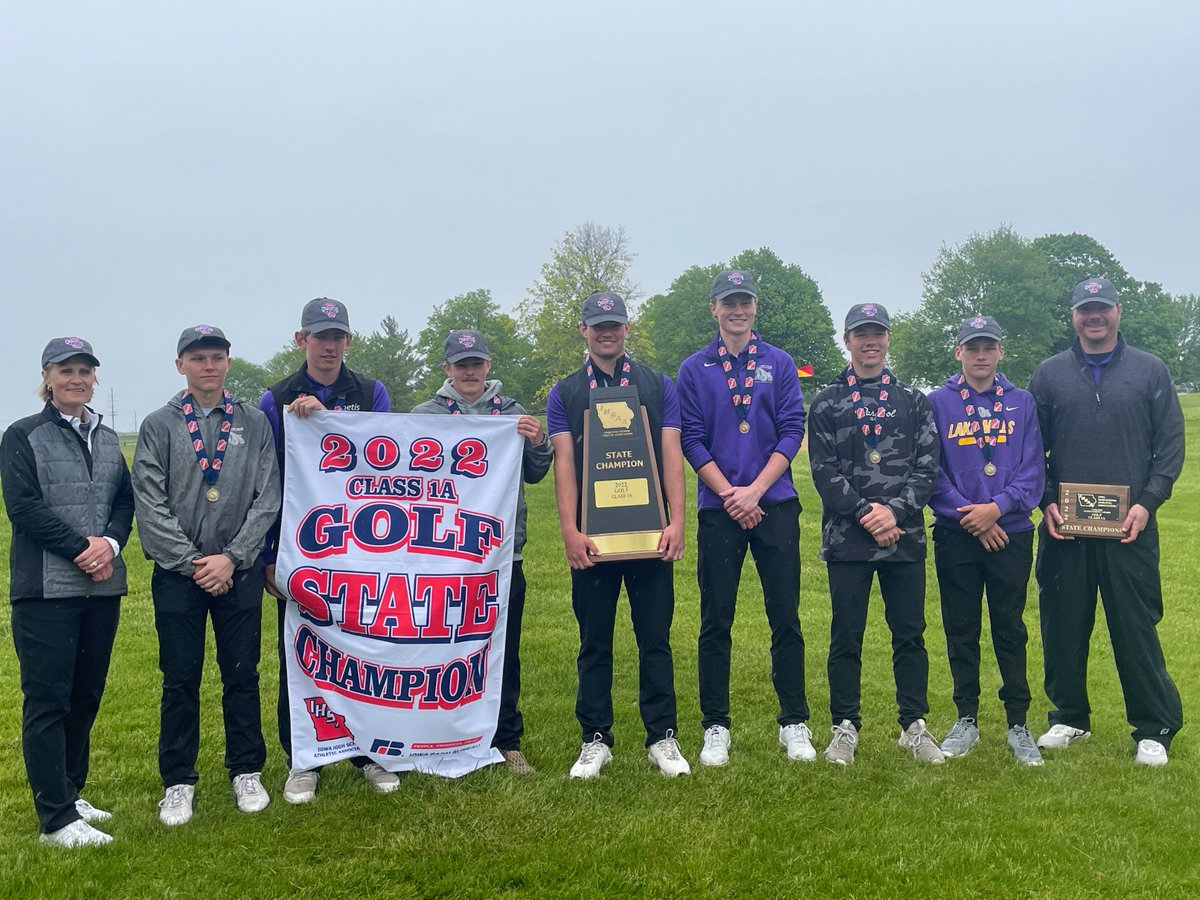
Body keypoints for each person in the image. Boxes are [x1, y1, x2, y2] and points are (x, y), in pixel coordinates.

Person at [1028, 277, 1185, 766]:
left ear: (1118, 311)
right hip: (1064, 528)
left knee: (1135, 625)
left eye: (1102, 309)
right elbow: (1033, 451)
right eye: (1084, 310)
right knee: (1063, 624)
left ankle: (1153, 727)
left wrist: (1148, 502)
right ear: (1072, 316)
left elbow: (1170, 448)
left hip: (1130, 529)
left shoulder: (1150, 371)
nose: (1094, 317)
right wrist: (1048, 500)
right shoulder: (1049, 374)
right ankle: (1068, 717)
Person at [132, 324, 281, 825]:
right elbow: (149, 502)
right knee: (180, 679)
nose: (208, 366)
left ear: (228, 362)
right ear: (181, 365)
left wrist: (234, 557)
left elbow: (268, 497)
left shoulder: (254, 422)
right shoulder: (159, 424)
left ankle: (246, 770)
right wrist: (195, 563)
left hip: (236, 572)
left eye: (216, 356)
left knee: (242, 676)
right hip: (180, 574)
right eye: (197, 358)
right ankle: (178, 781)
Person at [257, 297, 396, 803]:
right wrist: (270, 554)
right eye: (320, 336)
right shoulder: (274, 399)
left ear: (348, 342)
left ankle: (370, 751)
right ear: (302, 340)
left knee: (369, 648)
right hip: (301, 548)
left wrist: (329, 418)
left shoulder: (371, 391)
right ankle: (303, 759)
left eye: (338, 336)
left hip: (363, 545)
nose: (330, 344)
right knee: (300, 651)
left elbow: (385, 459)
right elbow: (265, 481)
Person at [546, 291, 690, 779]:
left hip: (649, 538)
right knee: (594, 642)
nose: (606, 332)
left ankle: (662, 738)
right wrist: (569, 529)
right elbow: (564, 464)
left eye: (614, 324)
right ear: (583, 330)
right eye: (597, 325)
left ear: (627, 328)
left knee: (655, 638)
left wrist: (677, 522)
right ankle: (595, 739)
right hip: (593, 541)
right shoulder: (564, 391)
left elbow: (671, 454)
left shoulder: (657, 385)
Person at [676, 270, 813, 767]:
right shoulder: (694, 368)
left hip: (773, 503)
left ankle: (794, 722)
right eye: (729, 302)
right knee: (716, 620)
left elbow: (793, 430)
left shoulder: (778, 362)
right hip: (719, 507)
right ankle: (716, 726)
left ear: (755, 307)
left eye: (746, 302)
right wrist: (730, 493)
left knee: (786, 617)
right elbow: (691, 436)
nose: (738, 310)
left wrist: (754, 490)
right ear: (713, 308)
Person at [1, 337, 134, 848]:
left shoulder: (105, 437)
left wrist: (112, 544)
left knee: (85, 695)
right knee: (48, 699)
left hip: (101, 591)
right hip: (45, 591)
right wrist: (84, 549)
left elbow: (123, 498)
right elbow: (25, 508)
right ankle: (54, 820)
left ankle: (70, 791)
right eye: (66, 370)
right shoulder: (22, 435)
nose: (76, 378)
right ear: (47, 377)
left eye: (84, 370)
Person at [412, 328, 553, 774]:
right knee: (435, 650)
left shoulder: (511, 414)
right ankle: (434, 736)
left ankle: (506, 741)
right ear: (446, 369)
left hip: (499, 557)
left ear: (488, 366)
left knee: (501, 651)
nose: (469, 371)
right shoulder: (424, 414)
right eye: (461, 364)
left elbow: (535, 474)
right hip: (439, 557)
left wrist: (538, 441)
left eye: (476, 363)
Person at [808, 303, 943, 765]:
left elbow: (928, 468)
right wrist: (869, 513)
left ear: (888, 339)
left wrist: (896, 513)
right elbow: (823, 472)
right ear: (847, 341)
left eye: (878, 333)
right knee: (847, 634)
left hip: (903, 538)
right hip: (848, 539)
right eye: (861, 334)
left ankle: (913, 725)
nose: (871, 342)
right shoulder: (826, 402)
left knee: (909, 633)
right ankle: (844, 726)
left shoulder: (912, 401)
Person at [927, 316, 1044, 766]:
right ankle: (966, 720)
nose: (980, 354)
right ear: (958, 352)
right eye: (972, 346)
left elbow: (1033, 468)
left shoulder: (1022, 402)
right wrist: (972, 515)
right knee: (961, 627)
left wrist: (998, 508)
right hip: (957, 533)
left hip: (1010, 533)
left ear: (1000, 352)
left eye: (988, 346)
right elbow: (930, 471)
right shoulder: (938, 402)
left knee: (1010, 628)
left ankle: (1018, 723)